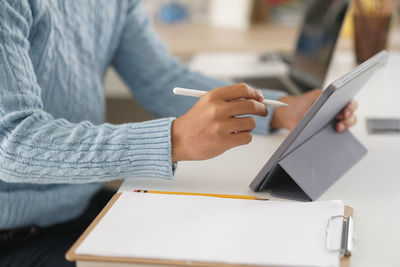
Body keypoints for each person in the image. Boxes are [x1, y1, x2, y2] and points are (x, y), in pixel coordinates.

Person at [0, 1, 357, 266]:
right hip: (16, 236)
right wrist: (174, 140)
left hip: (76, 203)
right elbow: (12, 144)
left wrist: (281, 109)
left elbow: (160, 79)